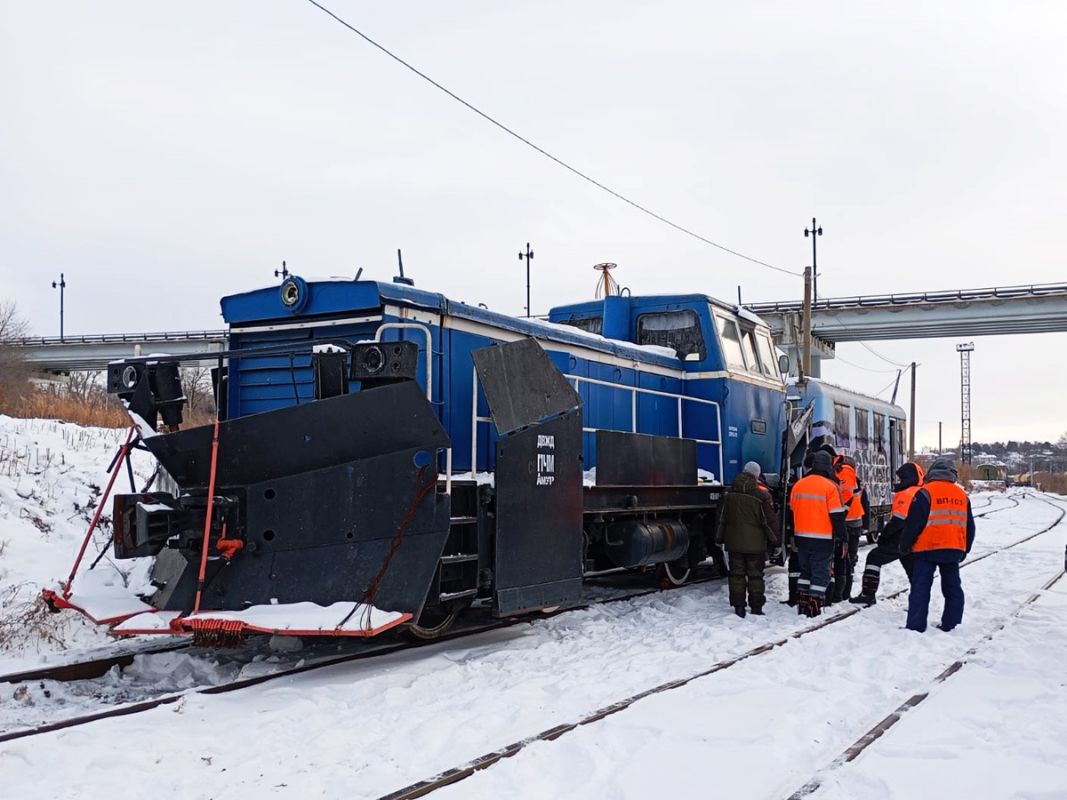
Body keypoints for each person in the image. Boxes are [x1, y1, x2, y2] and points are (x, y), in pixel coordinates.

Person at [899, 458, 976, 632]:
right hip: (953, 549)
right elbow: (970, 526)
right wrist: (965, 549)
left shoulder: (924, 493)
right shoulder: (962, 496)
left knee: (920, 588)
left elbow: (913, 524)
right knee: (953, 588)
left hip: (926, 549)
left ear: (932, 472)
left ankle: (916, 626)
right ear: (953, 474)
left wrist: (904, 545)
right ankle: (952, 624)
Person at [850, 462, 925, 605]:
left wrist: (884, 537)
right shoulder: (920, 491)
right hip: (916, 538)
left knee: (874, 557)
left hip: (901, 538)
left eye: (900, 479)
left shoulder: (905, 494)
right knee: (913, 572)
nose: (898, 482)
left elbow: (898, 521)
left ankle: (868, 594)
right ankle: (918, 602)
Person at [716, 461, 780, 617]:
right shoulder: (761, 496)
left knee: (736, 575)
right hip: (756, 546)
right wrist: (776, 542)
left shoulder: (728, 494)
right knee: (755, 576)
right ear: (757, 476)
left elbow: (721, 519)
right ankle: (756, 607)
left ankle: (739, 607)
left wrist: (719, 538)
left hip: (734, 544)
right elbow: (769, 522)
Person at [788, 450, 847, 617]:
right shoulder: (830, 487)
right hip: (822, 539)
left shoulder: (799, 485)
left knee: (805, 573)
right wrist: (843, 537)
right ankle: (814, 608)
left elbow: (793, 513)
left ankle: (803, 605)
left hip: (801, 538)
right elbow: (837, 517)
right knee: (820, 575)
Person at [831, 455, 866, 603]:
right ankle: (846, 594)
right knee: (851, 558)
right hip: (856, 521)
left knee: (841, 558)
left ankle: (839, 594)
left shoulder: (842, 473)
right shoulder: (856, 477)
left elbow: (843, 497)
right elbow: (864, 501)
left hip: (845, 520)